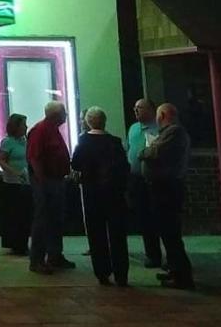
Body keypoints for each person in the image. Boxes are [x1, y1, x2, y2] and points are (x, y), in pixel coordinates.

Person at [71, 107, 130, 286]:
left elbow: (76, 163)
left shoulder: (84, 141)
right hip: (114, 193)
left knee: (96, 234)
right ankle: (121, 273)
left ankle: (102, 272)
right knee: (118, 235)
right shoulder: (115, 142)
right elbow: (124, 167)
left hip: (92, 193)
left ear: (88, 122)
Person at [141, 103, 194, 290]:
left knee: (171, 233)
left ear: (162, 115)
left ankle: (182, 275)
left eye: (157, 115)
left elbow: (153, 151)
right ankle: (175, 271)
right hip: (164, 188)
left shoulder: (174, 132)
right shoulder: (172, 133)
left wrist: (145, 151)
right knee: (167, 232)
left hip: (168, 189)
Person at [26, 100, 75, 274]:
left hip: (56, 180)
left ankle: (55, 255)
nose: (66, 116)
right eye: (64, 113)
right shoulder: (40, 130)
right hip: (46, 182)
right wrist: (42, 182)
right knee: (43, 220)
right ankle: (37, 260)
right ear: (56, 115)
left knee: (56, 219)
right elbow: (34, 158)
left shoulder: (52, 130)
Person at [126, 98, 162, 268]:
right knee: (143, 218)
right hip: (136, 180)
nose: (136, 111)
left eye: (139, 108)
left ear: (150, 110)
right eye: (135, 108)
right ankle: (152, 254)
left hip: (154, 180)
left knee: (157, 217)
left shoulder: (160, 129)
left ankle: (161, 256)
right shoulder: (133, 128)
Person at [0, 113, 31, 255]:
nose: (26, 127)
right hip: (12, 183)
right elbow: (0, 160)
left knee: (25, 214)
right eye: (23, 124)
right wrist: (14, 172)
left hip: (26, 182)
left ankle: (22, 242)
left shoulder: (26, 141)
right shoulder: (7, 142)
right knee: (14, 214)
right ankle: (15, 243)